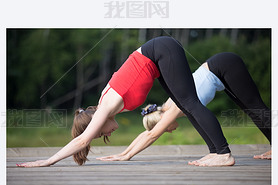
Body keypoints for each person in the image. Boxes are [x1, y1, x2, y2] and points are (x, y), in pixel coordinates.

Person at [17, 36, 234, 168]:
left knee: (189, 102)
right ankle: (216, 151)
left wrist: (47, 160)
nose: (108, 134)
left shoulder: (106, 106)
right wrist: (125, 155)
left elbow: (83, 140)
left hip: (161, 51)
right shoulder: (105, 102)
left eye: (102, 133)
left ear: (97, 123)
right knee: (186, 103)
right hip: (158, 58)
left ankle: (223, 153)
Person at [97, 52, 271, 165]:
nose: (169, 131)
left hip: (223, 65)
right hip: (220, 72)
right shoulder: (167, 106)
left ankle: (223, 153)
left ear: (162, 120)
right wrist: (123, 152)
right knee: (251, 109)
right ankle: (218, 152)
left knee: (255, 107)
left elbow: (151, 134)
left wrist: (127, 156)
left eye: (165, 128)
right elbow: (147, 132)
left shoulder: (174, 107)